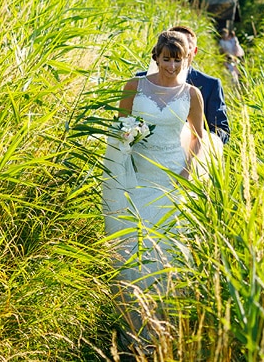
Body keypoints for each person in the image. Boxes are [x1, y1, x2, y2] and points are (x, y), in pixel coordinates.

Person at [102, 30, 205, 332]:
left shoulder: (191, 94)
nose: (171, 67)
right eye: (166, 59)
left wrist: (187, 170)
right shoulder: (134, 86)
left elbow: (197, 138)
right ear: (156, 57)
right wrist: (127, 138)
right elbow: (119, 126)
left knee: (166, 244)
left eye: (177, 60)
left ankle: (164, 322)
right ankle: (132, 318)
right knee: (135, 242)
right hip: (137, 173)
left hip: (171, 174)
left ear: (186, 59)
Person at [138, 25, 230, 145]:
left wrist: (197, 143)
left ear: (194, 51)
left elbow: (221, 131)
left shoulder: (210, 85)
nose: (180, 51)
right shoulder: (141, 81)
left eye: (187, 47)